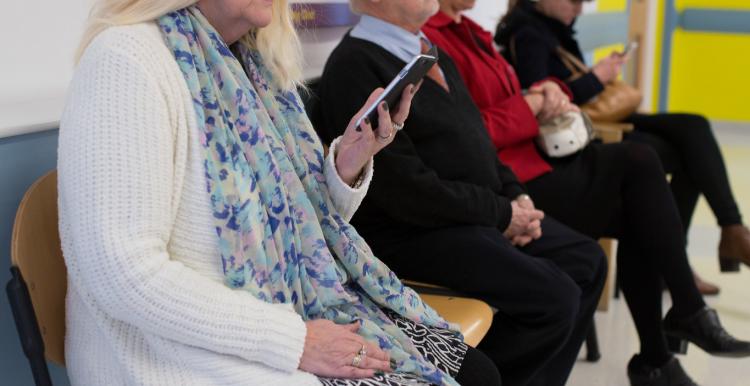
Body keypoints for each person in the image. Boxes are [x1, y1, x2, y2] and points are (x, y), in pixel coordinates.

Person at [58, 0, 503, 385]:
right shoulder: (126, 60)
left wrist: (348, 162)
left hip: (283, 315)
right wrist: (296, 341)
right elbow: (122, 275)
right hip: (179, 356)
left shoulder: (251, 65)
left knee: (477, 372)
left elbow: (306, 227)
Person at [421, 0, 750, 385]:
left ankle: (661, 350)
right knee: (641, 164)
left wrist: (548, 93)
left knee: (644, 197)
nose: (578, 7)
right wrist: (535, 102)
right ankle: (674, 333)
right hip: (510, 178)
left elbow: (512, 97)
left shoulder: (471, 32)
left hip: (532, 161)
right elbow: (471, 133)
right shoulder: (437, 41)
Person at [315, 1, 609, 385]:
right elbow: (405, 192)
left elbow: (481, 144)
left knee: (587, 262)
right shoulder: (355, 66)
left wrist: (516, 197)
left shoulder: (429, 53)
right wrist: (501, 214)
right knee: (554, 299)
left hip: (471, 215)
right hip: (413, 235)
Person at [496, 0, 750, 283]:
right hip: (583, 133)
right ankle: (687, 253)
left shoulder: (553, 29)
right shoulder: (529, 36)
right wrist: (598, 77)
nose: (579, 10)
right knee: (689, 151)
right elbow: (545, 106)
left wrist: (599, 75)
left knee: (694, 128)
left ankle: (722, 234)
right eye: (574, 2)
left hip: (600, 118)